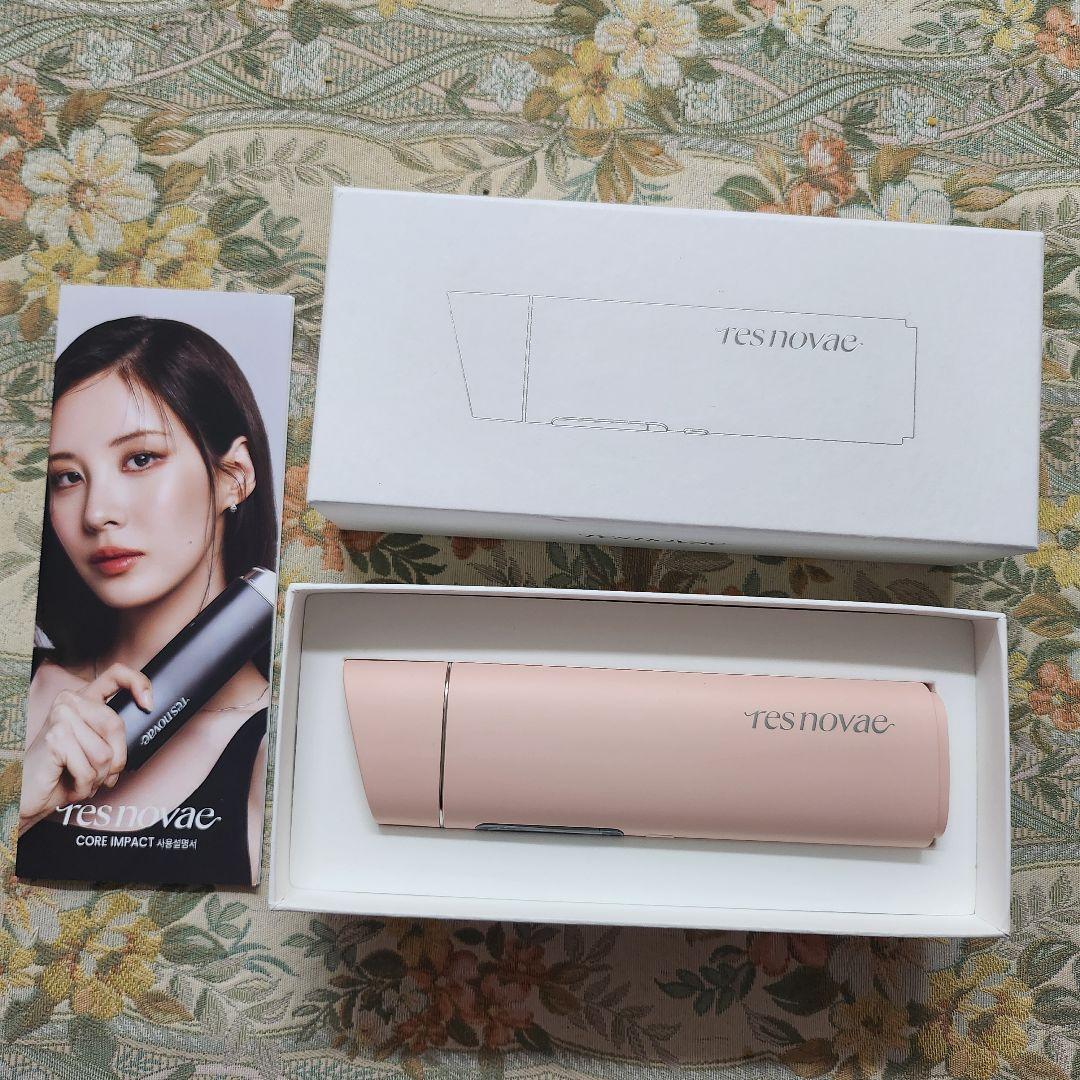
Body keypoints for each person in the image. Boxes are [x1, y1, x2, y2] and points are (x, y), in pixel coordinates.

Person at [17, 317, 276, 886]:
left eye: (139, 459)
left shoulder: (274, 748)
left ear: (234, 475)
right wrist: (22, 805)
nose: (96, 513)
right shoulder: (22, 687)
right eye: (67, 477)